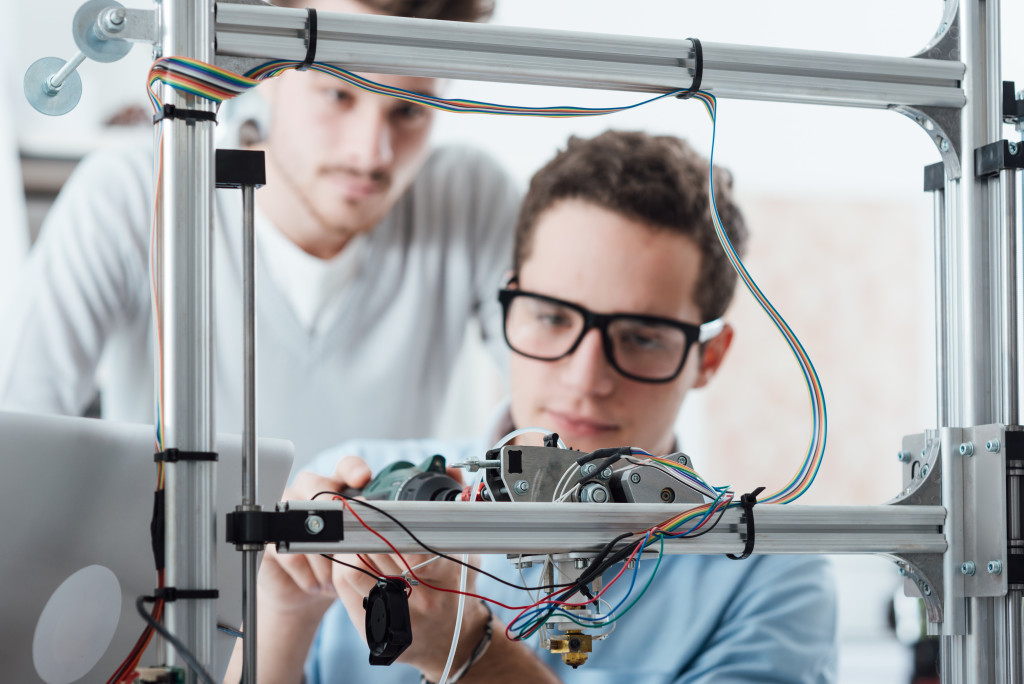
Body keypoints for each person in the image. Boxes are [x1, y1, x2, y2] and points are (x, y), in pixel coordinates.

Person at [231, 130, 838, 683]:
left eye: (642, 337)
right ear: (507, 305)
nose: (586, 377)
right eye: (551, 317)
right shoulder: (359, 501)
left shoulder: (766, 574)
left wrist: (468, 653)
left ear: (709, 357)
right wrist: (283, 614)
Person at [0, 0, 516, 467]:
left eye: (408, 110)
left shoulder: (470, 198)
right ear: (264, 67)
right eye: (338, 93)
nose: (371, 152)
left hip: (382, 572)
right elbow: (18, 444)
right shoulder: (132, 193)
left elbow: (562, 407)